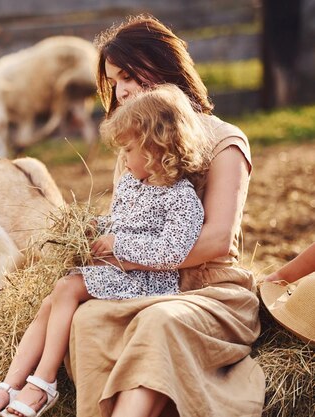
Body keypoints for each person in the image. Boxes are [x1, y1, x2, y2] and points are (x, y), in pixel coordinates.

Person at [67, 14, 265, 417]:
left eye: (127, 75)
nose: (120, 91)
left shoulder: (225, 140)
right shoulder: (137, 144)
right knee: (87, 320)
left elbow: (216, 241)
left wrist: (120, 252)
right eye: (113, 81)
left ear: (161, 63)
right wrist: (96, 238)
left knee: (159, 322)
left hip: (210, 291)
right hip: (147, 283)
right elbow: (127, 228)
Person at [0, 84, 211, 417]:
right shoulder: (132, 183)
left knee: (67, 287)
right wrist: (94, 227)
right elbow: (118, 222)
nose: (124, 159)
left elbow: (172, 252)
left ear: (156, 147)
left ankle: (43, 384)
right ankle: (10, 385)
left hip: (149, 284)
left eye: (128, 150)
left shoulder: (181, 199)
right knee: (49, 303)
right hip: (117, 273)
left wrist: (120, 245)